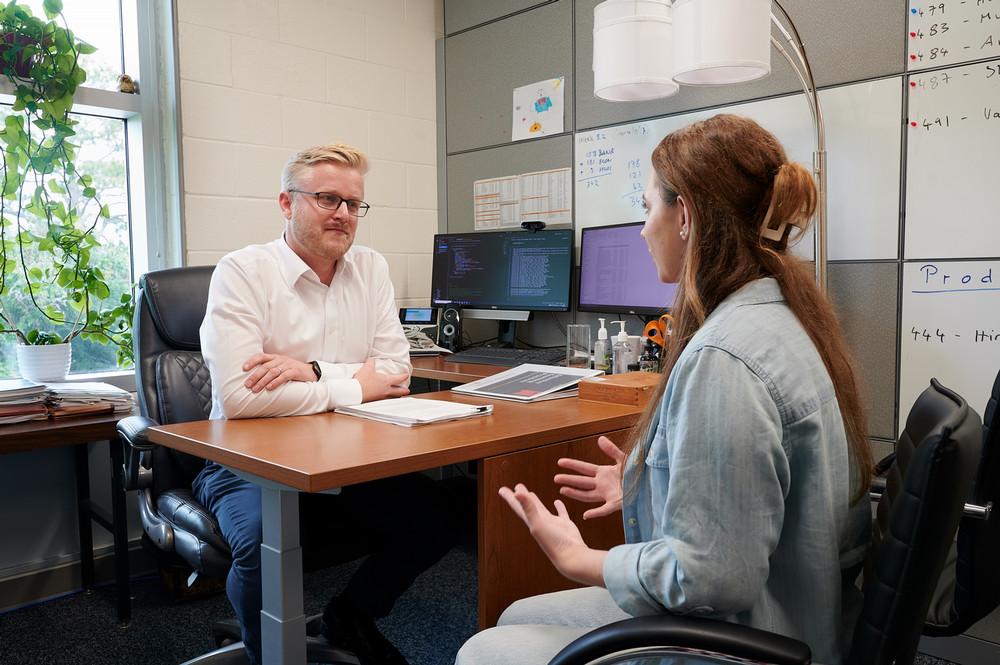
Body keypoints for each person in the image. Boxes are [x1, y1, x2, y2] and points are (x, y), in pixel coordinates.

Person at [455, 114, 874, 665]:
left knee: (483, 652)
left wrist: (580, 559)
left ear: (686, 216)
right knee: (514, 615)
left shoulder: (723, 360)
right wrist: (647, 482)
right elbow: (756, 492)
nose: (643, 228)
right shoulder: (780, 315)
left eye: (647, 207)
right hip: (799, 611)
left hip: (747, 639)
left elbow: (712, 578)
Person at [193, 141, 463, 665]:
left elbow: (398, 371)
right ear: (286, 203)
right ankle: (265, 652)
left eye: (353, 204)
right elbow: (240, 397)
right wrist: (355, 384)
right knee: (261, 545)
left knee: (440, 518)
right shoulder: (242, 272)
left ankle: (349, 617)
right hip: (248, 464)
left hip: (345, 455)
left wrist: (312, 371)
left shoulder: (371, 268)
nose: (343, 214)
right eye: (327, 199)